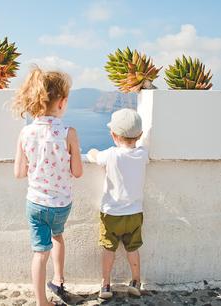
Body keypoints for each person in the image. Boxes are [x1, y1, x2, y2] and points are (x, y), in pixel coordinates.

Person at [13, 66, 83, 306]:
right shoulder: (68, 133)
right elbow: (78, 172)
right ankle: (59, 279)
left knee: (39, 253)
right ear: (62, 102)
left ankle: (42, 302)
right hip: (61, 204)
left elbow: (19, 173)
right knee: (58, 236)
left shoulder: (25, 133)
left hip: (35, 203)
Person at [87, 108, 149, 299]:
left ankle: (106, 285)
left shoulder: (111, 154)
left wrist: (92, 152)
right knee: (133, 249)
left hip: (111, 213)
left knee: (108, 249)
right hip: (134, 213)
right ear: (140, 135)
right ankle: (136, 282)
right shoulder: (142, 154)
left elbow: (95, 157)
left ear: (113, 135)